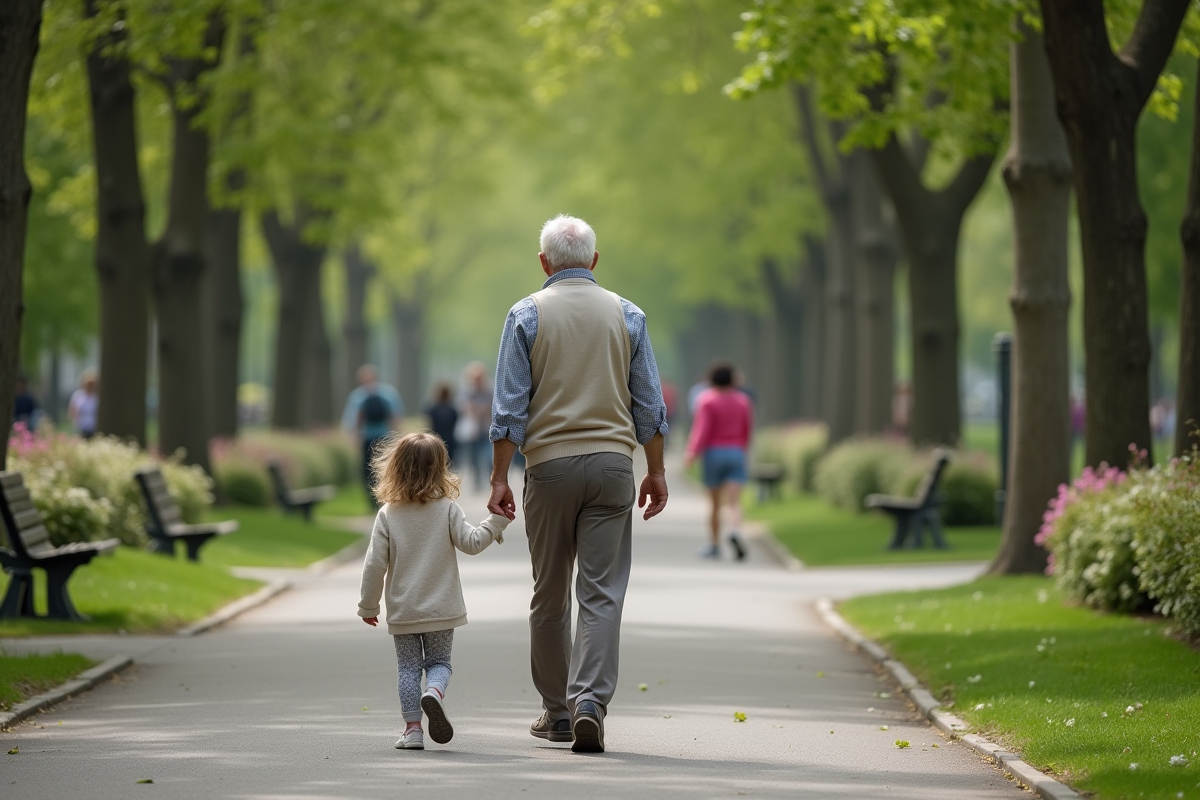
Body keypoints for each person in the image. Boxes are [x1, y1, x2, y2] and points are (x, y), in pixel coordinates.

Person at [488, 214, 670, 754]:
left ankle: (556, 712)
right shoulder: (627, 314)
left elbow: (508, 409)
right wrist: (655, 470)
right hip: (614, 466)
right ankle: (588, 700)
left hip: (548, 467)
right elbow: (650, 405)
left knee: (549, 596)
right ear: (594, 260)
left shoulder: (526, 314)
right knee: (601, 593)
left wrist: (499, 477)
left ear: (544, 262)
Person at [358, 432, 509, 750]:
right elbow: (471, 543)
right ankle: (434, 693)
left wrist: (368, 606)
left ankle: (413, 729)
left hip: (404, 609)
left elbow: (374, 565)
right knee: (440, 663)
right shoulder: (447, 509)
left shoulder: (388, 514)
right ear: (440, 468)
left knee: (408, 667)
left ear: (395, 468)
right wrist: (496, 522)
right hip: (442, 608)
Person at [684, 362, 753, 560]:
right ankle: (735, 531)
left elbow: (701, 430)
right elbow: (747, 429)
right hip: (736, 452)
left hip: (714, 453)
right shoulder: (743, 401)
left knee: (715, 504)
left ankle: (714, 545)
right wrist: (744, 450)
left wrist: (692, 453)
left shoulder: (707, 400)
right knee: (734, 502)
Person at [342, 365, 403, 506]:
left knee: (367, 469)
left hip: (367, 438)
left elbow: (353, 420)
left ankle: (372, 499)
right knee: (385, 468)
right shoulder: (388, 393)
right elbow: (396, 417)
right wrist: (399, 437)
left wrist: (354, 438)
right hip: (385, 437)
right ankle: (385, 496)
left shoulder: (358, 396)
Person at [458, 363, 494, 491]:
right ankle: (477, 482)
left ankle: (492, 480)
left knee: (490, 457)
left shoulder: (490, 390)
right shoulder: (468, 391)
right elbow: (462, 406)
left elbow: (495, 406)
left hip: (487, 429)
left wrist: (482, 409)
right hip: (473, 431)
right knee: (473, 458)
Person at [425, 382, 459, 465]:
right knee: (448, 464)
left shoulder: (432, 409)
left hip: (434, 438)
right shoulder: (452, 409)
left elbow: (428, 424)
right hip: (449, 440)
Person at [68, 369, 99, 439]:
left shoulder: (96, 397)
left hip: (94, 427)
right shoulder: (78, 396)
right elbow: (72, 411)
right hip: (81, 427)